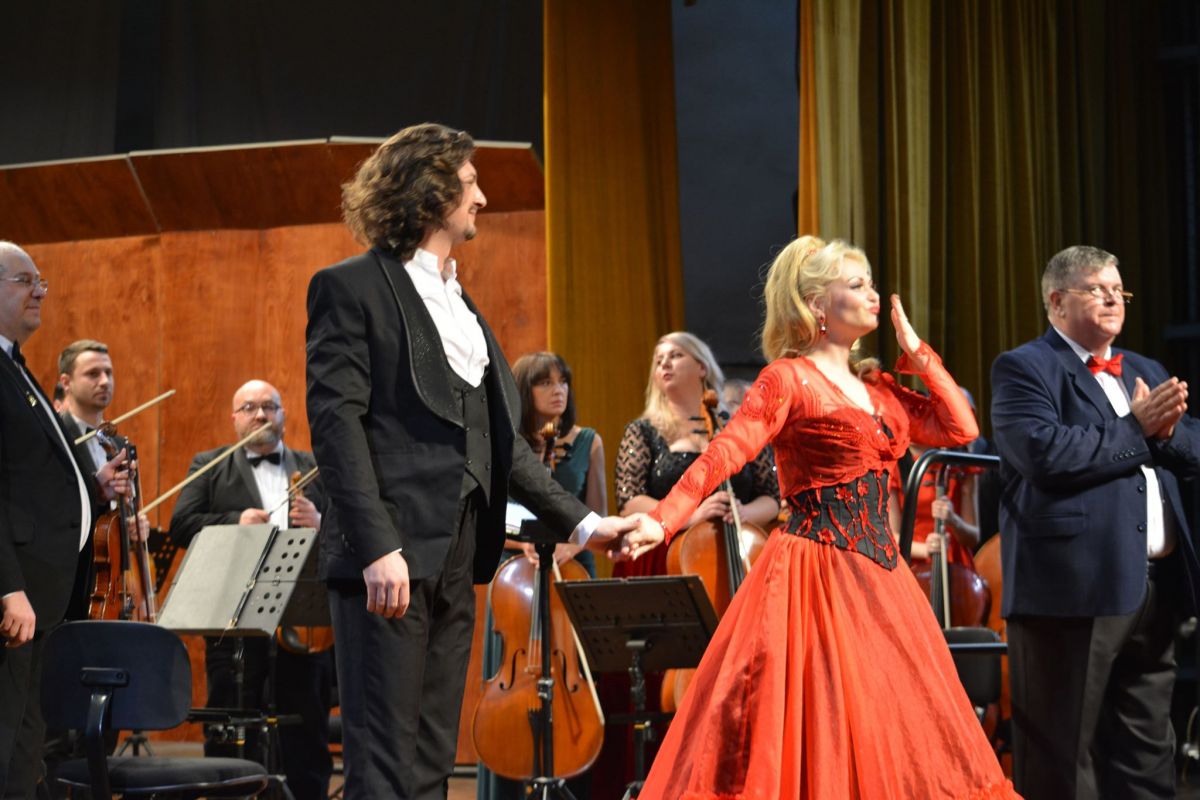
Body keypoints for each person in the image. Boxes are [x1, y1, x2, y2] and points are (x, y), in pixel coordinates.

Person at [618, 236, 1016, 798]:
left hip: (883, 580)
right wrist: (663, 519)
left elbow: (961, 428)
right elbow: (726, 452)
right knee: (819, 720)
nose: (873, 295)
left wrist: (916, 351)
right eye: (856, 284)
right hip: (813, 574)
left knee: (895, 728)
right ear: (816, 306)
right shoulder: (788, 379)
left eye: (871, 282)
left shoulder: (879, 388)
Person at [304, 122, 631, 800]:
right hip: (389, 554)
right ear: (429, 191)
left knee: (430, 754)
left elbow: (500, 443)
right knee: (383, 760)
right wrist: (376, 546)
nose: (481, 197)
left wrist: (584, 523)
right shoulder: (349, 287)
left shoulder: (462, 306)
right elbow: (337, 427)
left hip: (457, 551)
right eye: (470, 182)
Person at [990, 245, 1199, 799]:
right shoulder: (1024, 368)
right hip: (1072, 587)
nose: (1113, 298)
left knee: (1147, 752)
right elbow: (1043, 454)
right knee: (1063, 755)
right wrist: (1137, 428)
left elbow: (1192, 445)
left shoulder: (1145, 369)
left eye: (1118, 290)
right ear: (1057, 301)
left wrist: (1166, 433)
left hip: (1152, 587)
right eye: (1096, 289)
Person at [0, 242, 131, 799]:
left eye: (42, 282)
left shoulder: (16, 366)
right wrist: (8, 587)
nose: (40, 291)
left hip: (43, 598)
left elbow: (31, 476)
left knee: (25, 743)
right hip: (16, 596)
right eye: (25, 280)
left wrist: (91, 490)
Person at [168, 379, 332, 800]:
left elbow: (354, 528)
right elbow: (180, 525)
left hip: (302, 622)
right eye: (250, 408)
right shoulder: (209, 465)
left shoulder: (314, 466)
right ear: (234, 419)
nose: (261, 415)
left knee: (305, 726)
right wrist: (235, 522)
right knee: (231, 719)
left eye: (269, 406)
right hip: (232, 620)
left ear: (283, 414)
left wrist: (321, 522)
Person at [511, 351, 607, 575]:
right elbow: (488, 518)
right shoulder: (508, 443)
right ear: (524, 390)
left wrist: (572, 546)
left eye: (563, 382)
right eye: (546, 383)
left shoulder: (590, 441)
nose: (558, 390)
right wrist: (523, 542)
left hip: (574, 560)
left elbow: (598, 514)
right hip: (515, 563)